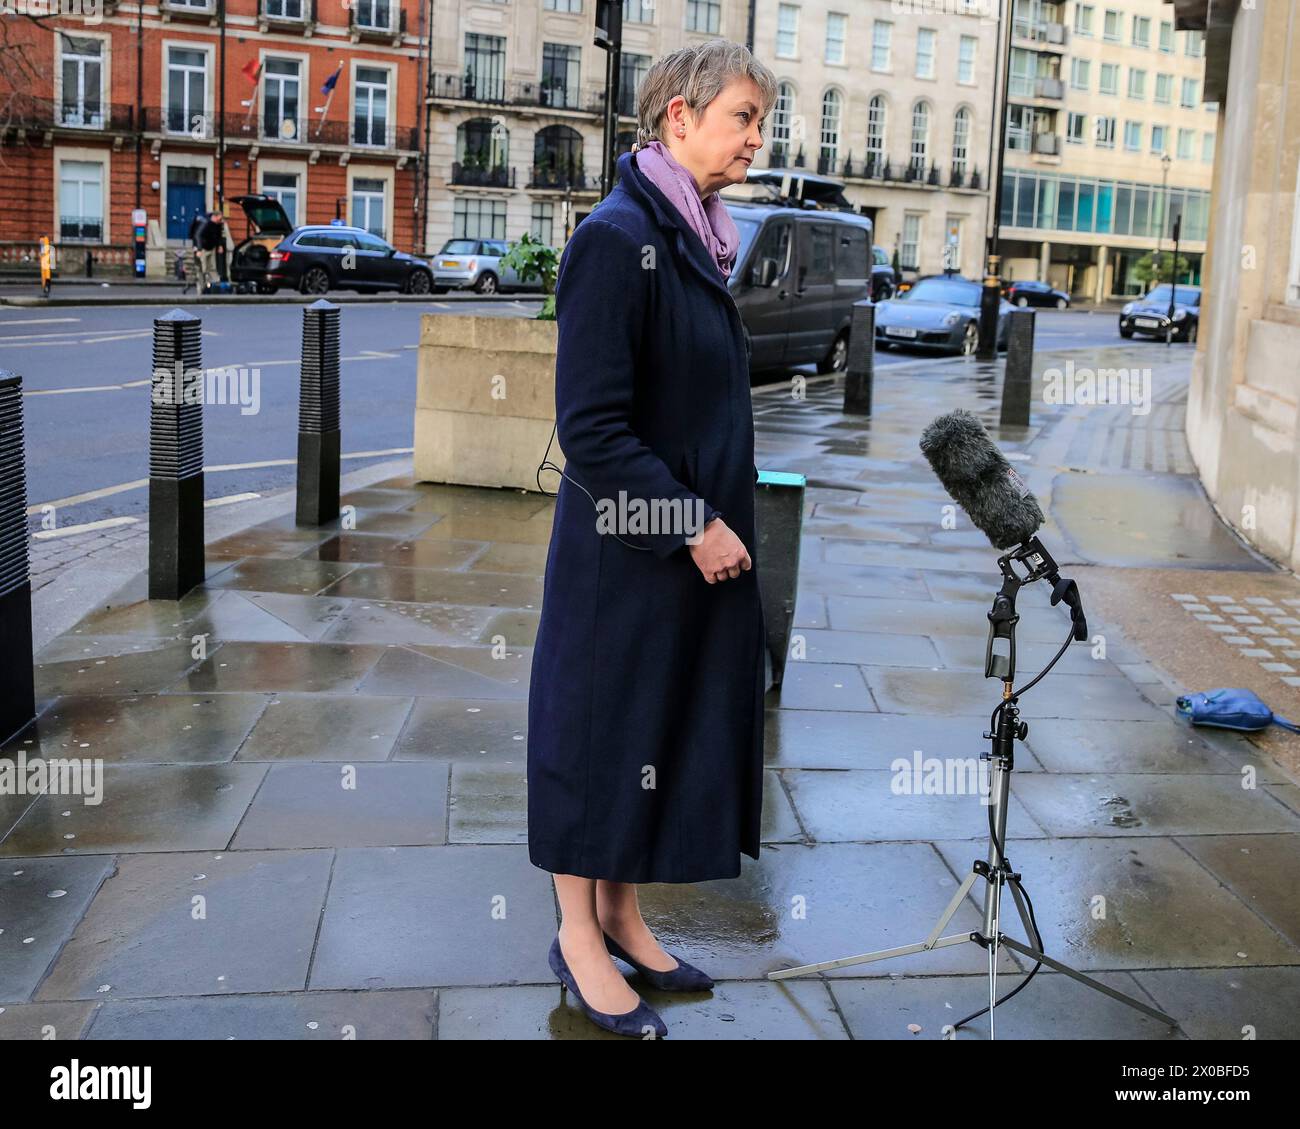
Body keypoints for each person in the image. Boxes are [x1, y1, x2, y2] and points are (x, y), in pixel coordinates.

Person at [527, 39, 776, 1038]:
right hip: (625, 557)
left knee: (648, 739)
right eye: (742, 117)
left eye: (759, 120)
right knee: (599, 743)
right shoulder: (615, 236)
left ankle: (623, 914)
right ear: (679, 115)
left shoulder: (698, 231)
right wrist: (693, 523)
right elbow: (589, 428)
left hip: (683, 557)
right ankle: (577, 936)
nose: (754, 139)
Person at [193, 211, 225, 292]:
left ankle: (215, 286)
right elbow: (198, 235)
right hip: (203, 249)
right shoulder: (205, 223)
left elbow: (218, 236)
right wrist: (199, 249)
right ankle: (201, 288)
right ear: (215, 216)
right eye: (220, 218)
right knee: (202, 269)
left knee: (212, 267)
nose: (221, 220)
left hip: (211, 248)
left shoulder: (218, 225)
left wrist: (219, 245)